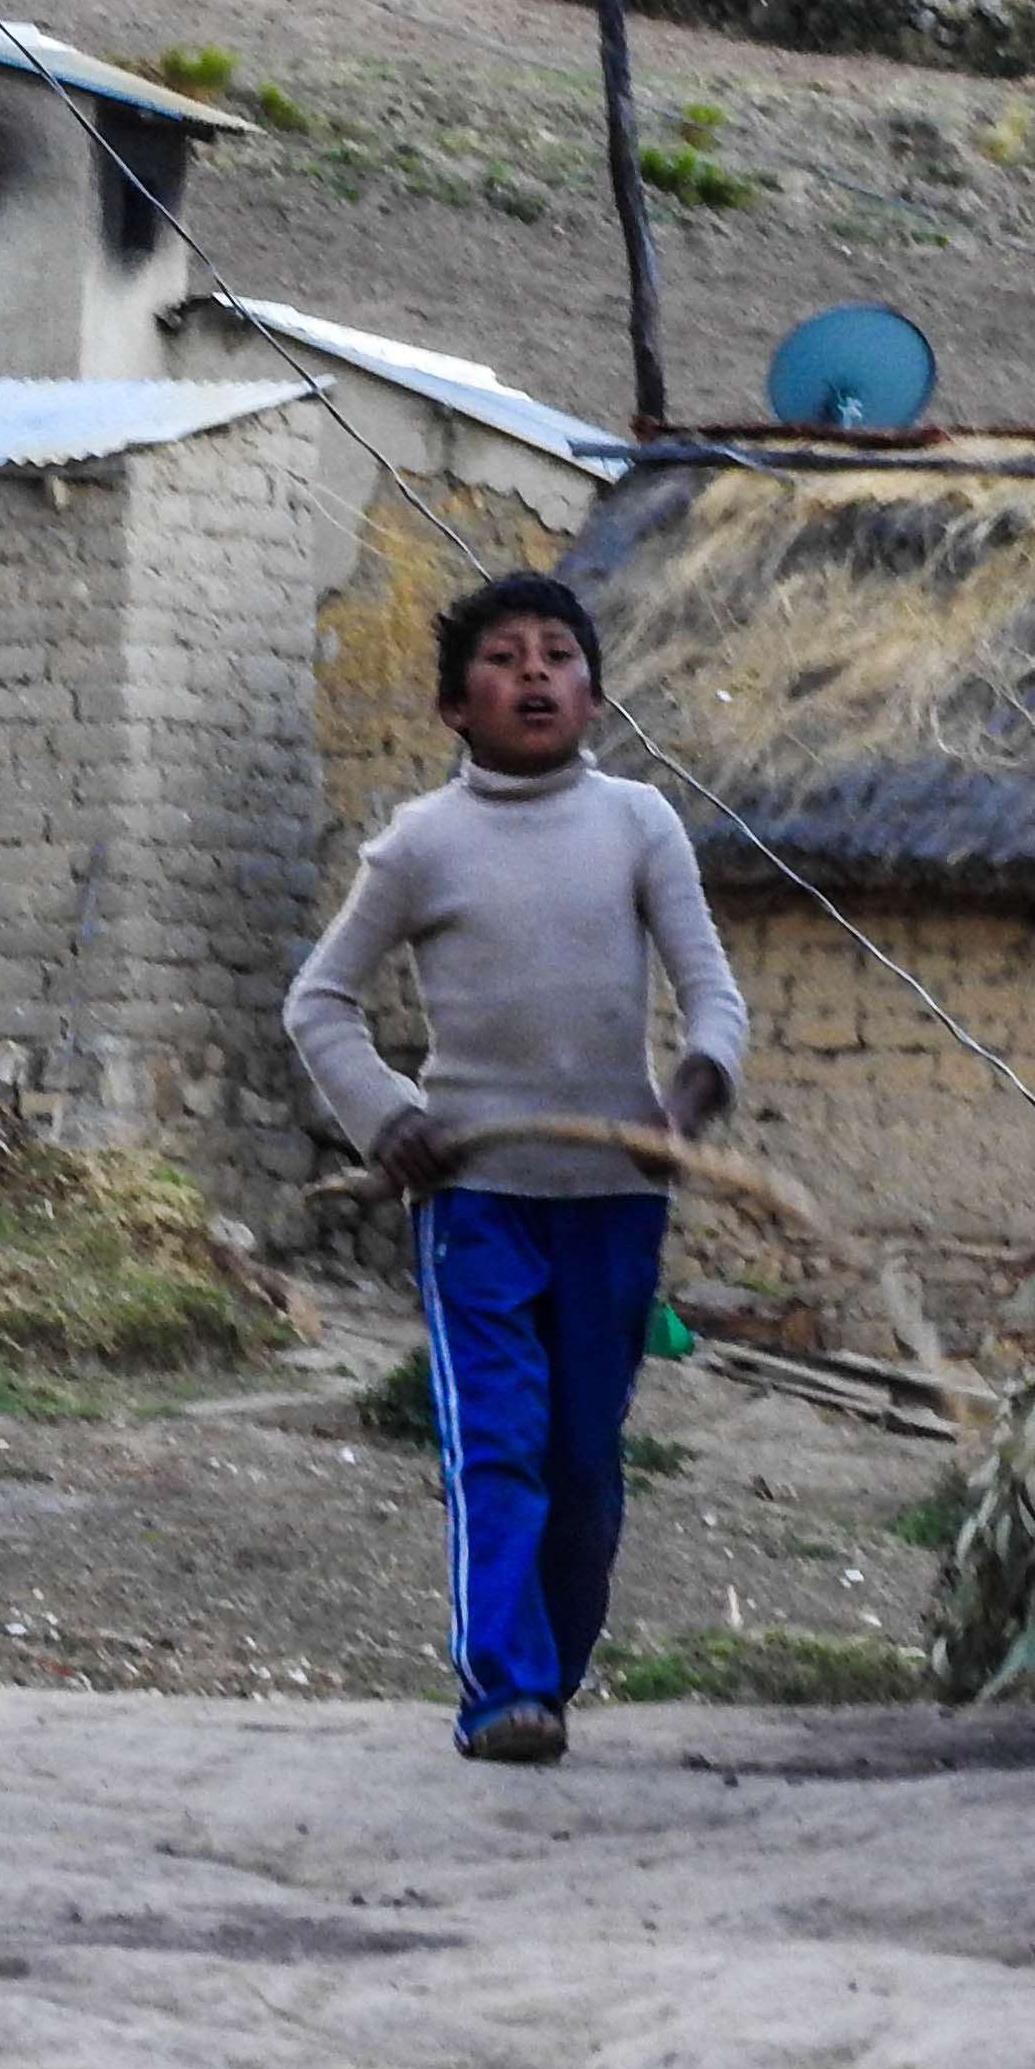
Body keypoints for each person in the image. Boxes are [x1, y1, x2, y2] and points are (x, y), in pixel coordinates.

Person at [285, 571, 747, 1764]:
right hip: (476, 1200)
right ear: (454, 707)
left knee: (584, 1464)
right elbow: (319, 1002)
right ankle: (504, 1689)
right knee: (497, 1443)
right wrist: (391, 1121)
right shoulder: (418, 845)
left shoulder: (639, 824)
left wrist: (691, 1094)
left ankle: (555, 1672)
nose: (533, 671)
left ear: (595, 696)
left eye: (557, 654)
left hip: (615, 1198)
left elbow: (712, 994)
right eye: (503, 658)